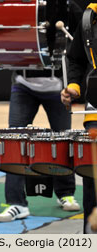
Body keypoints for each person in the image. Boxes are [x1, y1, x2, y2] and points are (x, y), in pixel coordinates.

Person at [0, 1, 82, 223]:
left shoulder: (69, 8)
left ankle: (65, 193)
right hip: (24, 84)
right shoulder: (17, 6)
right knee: (14, 142)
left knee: (62, 140)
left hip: (58, 87)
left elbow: (83, 44)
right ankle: (16, 203)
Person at [61, 2, 97, 234]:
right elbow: (76, 59)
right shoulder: (89, 18)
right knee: (93, 186)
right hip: (95, 114)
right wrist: (73, 86)